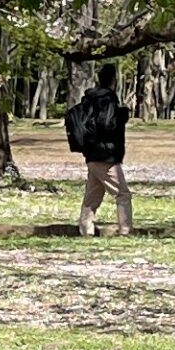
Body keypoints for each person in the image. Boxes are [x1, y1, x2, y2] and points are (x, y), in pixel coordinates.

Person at [67, 65, 134, 236]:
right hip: (105, 155)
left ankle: (85, 229)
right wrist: (121, 116)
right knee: (123, 194)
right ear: (114, 80)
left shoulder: (90, 99)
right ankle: (125, 230)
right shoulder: (108, 99)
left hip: (91, 153)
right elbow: (106, 125)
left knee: (93, 196)